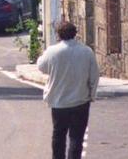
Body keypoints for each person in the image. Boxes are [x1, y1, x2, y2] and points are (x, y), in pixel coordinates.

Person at [36, 20, 100, 159]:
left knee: (58, 135)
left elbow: (41, 66)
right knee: (76, 138)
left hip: (59, 102)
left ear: (58, 35)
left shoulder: (52, 51)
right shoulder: (86, 51)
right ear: (75, 34)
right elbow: (94, 75)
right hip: (80, 101)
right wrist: (92, 95)